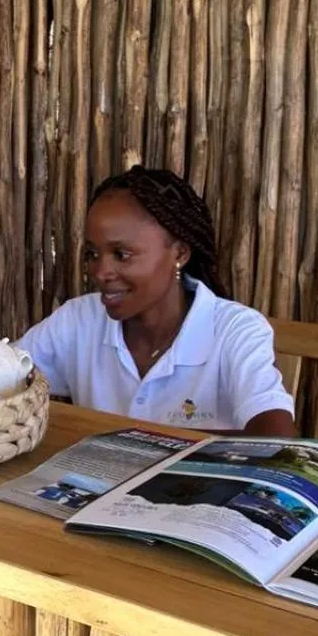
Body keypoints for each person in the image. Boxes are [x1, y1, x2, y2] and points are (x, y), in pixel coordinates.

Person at [19, 166, 297, 435]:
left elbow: (277, 438)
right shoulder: (79, 321)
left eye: (122, 254)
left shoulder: (234, 330)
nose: (100, 272)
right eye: (92, 254)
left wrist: (141, 445)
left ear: (180, 254)